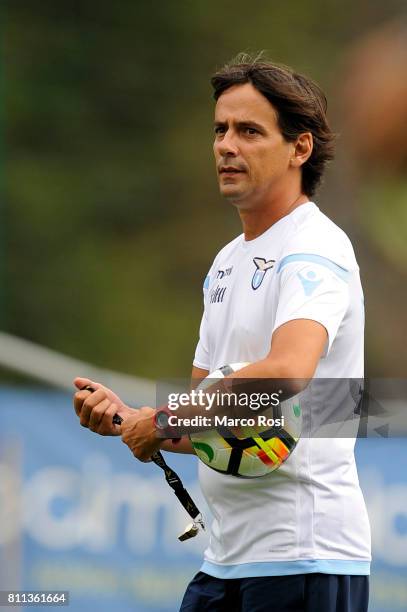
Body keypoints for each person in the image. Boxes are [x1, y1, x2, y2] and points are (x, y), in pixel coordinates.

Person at [73, 54, 371, 611]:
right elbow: (207, 423)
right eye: (220, 130)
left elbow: (287, 370)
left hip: (304, 559)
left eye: (249, 131)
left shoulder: (315, 246)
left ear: (299, 148)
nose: (226, 146)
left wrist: (160, 419)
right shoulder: (226, 263)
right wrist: (133, 421)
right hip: (226, 563)